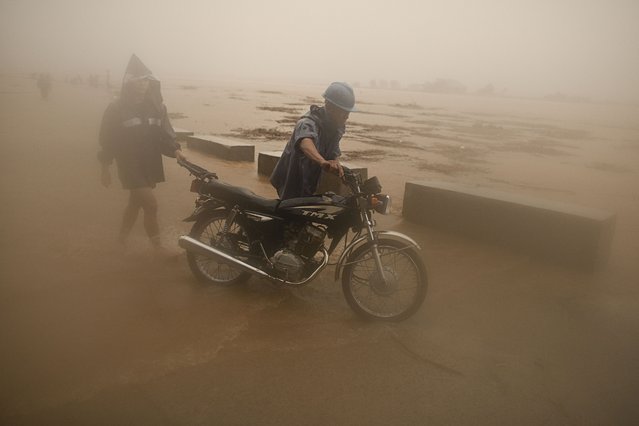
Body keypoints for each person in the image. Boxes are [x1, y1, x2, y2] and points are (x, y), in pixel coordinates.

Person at [98, 54, 185, 252]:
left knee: (135, 203)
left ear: (150, 82)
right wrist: (105, 168)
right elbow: (107, 141)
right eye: (137, 81)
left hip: (149, 163)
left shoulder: (158, 108)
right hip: (128, 164)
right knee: (151, 205)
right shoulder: (116, 108)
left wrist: (177, 150)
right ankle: (158, 249)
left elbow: (165, 135)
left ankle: (120, 240)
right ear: (129, 83)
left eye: (145, 80)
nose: (142, 85)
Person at [270, 82, 356, 200]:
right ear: (330, 107)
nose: (347, 116)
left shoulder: (337, 127)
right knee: (290, 208)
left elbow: (333, 152)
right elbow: (306, 143)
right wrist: (322, 162)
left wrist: (337, 166)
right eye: (343, 112)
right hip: (291, 175)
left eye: (348, 112)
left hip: (311, 177)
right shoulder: (307, 123)